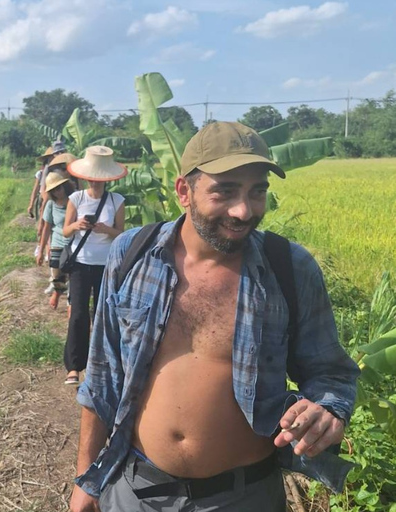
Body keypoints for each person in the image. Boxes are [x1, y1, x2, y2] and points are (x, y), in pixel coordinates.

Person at [69, 122, 360, 512]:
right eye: (225, 190)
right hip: (136, 489)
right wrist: (87, 480)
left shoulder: (289, 268)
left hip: (245, 496)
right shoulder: (132, 254)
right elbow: (103, 375)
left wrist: (327, 409)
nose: (244, 211)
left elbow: (331, 372)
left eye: (257, 192)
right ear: (184, 192)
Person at [62, 146, 126, 386]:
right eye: (92, 179)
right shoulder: (76, 199)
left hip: (106, 265)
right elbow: (65, 230)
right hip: (81, 263)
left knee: (102, 315)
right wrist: (77, 225)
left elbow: (121, 234)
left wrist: (105, 229)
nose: (96, 183)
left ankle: (100, 365)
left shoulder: (116, 201)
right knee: (78, 315)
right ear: (86, 178)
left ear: (106, 180)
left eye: (100, 179)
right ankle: (74, 367)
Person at [36, 170, 75, 309]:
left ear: (64, 186)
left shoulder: (74, 201)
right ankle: (57, 293)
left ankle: (70, 302)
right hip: (57, 242)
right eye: (54, 190)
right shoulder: (51, 205)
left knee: (72, 273)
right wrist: (41, 251)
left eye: (59, 188)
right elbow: (47, 228)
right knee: (56, 271)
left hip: (73, 242)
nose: (57, 192)